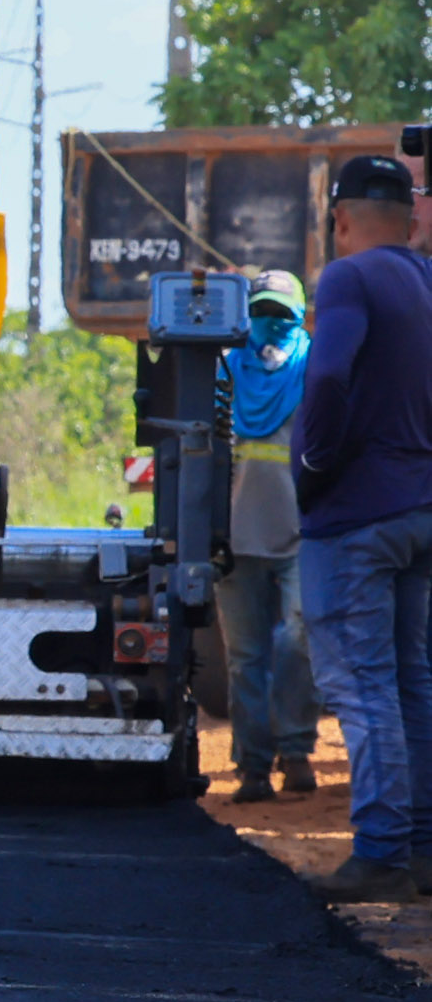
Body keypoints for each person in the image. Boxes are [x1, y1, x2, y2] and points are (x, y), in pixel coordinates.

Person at [291, 153, 432, 901]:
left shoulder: (346, 277)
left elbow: (328, 374)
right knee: (413, 682)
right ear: (410, 219)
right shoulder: (425, 280)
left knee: (363, 685)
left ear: (338, 219)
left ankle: (378, 849)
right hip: (418, 510)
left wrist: (313, 466)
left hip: (355, 517)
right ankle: (423, 851)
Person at [219, 265, 326, 803]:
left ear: (299, 316)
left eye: (280, 314)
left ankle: (296, 749)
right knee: (245, 657)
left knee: (296, 641)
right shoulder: (226, 370)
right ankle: (254, 769)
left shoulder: (314, 367)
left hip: (301, 535)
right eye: (259, 312)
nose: (269, 323)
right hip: (236, 540)